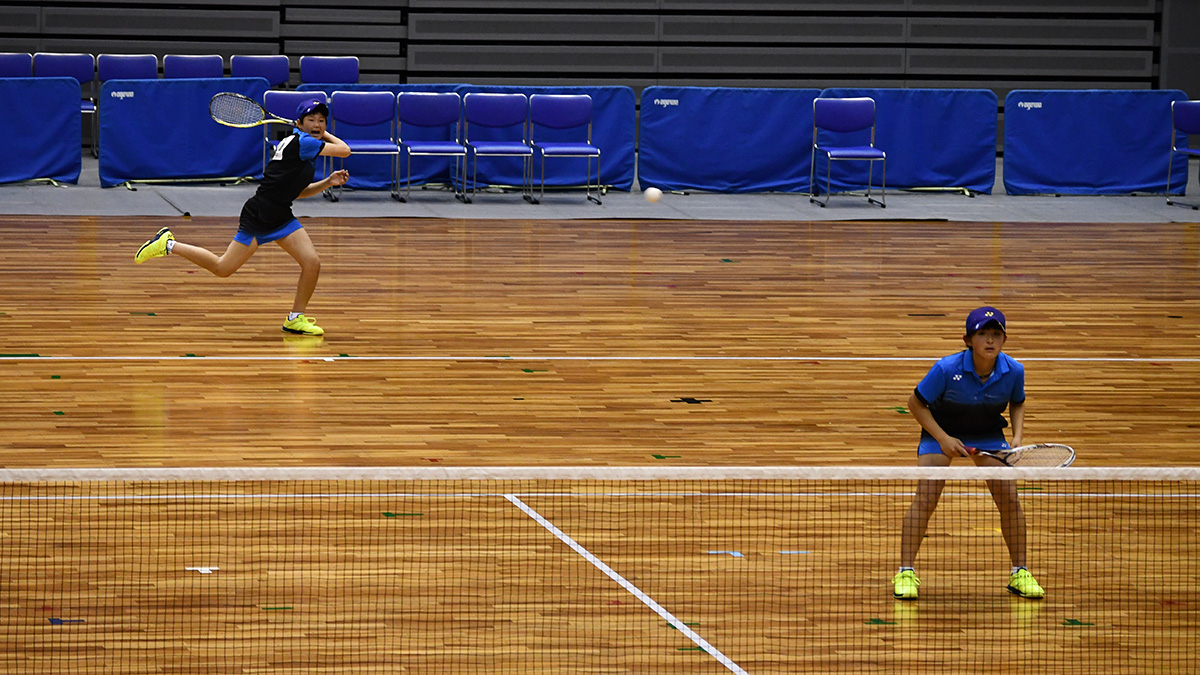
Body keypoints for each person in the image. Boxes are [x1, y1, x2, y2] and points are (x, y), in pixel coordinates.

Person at [134, 98, 352, 336]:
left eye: (322, 120)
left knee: (312, 263)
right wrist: (326, 133)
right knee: (222, 268)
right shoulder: (305, 142)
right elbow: (345, 150)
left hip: (280, 214)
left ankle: (295, 318)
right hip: (261, 214)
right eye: (312, 119)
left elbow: (297, 192)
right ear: (299, 123)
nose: (318, 124)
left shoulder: (298, 142)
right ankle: (168, 244)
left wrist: (327, 182)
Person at [892, 306, 1044, 601]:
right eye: (983, 334)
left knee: (1009, 498)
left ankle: (1020, 572)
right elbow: (915, 403)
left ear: (1004, 338)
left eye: (996, 334)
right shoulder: (946, 369)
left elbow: (1018, 402)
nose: (990, 340)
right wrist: (943, 438)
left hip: (987, 435)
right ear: (968, 340)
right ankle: (905, 571)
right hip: (942, 431)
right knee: (926, 495)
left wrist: (1017, 435)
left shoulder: (1014, 370)